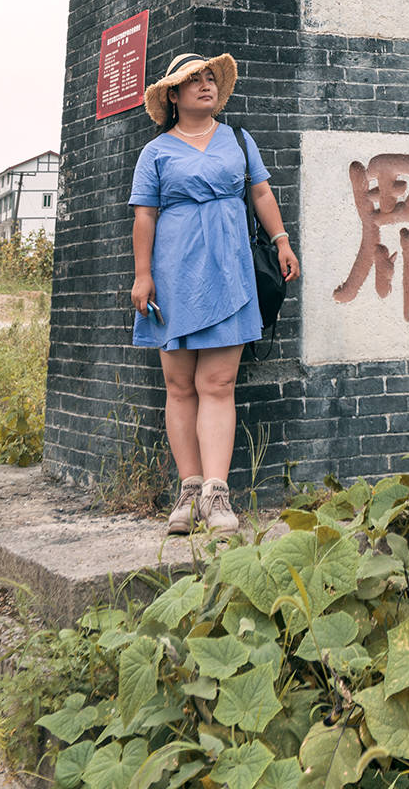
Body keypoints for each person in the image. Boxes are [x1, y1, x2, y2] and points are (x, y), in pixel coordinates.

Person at [129, 50, 300, 534]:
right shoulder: (156, 152)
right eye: (194, 80)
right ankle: (188, 488)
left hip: (230, 271)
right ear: (173, 96)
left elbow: (261, 193)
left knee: (218, 384)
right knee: (180, 385)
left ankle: (217, 494)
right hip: (175, 275)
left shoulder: (239, 141)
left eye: (210, 78)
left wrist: (282, 241)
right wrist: (144, 276)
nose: (206, 85)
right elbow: (145, 216)